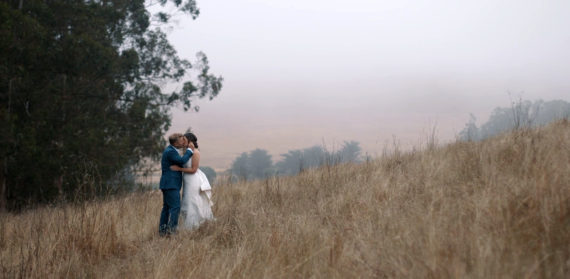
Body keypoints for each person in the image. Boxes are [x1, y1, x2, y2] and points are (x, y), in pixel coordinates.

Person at [170, 132, 214, 230]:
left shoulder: (196, 152)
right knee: (186, 200)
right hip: (187, 181)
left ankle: (193, 226)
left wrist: (179, 169)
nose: (183, 141)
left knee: (192, 201)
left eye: (185, 140)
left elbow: (193, 169)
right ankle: (187, 225)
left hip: (193, 180)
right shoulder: (186, 152)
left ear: (190, 141)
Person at [158, 133, 193, 236]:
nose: (183, 142)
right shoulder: (170, 152)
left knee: (167, 208)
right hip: (170, 184)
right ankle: (171, 231)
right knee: (175, 207)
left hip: (168, 184)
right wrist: (190, 150)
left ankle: (163, 231)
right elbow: (181, 161)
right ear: (176, 142)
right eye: (182, 140)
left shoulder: (171, 150)